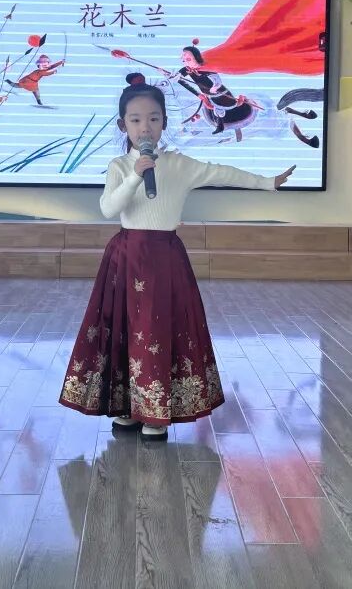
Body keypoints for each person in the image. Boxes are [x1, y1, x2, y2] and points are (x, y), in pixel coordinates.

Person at [57, 73, 295, 441]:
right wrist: (136, 176)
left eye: (153, 118)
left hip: (164, 259)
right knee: (124, 329)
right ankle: (127, 406)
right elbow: (109, 208)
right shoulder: (119, 166)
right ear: (123, 125)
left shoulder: (180, 164)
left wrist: (267, 182)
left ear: (164, 122)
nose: (145, 127)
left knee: (157, 330)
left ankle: (155, 412)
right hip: (126, 258)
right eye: (136, 120)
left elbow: (222, 173)